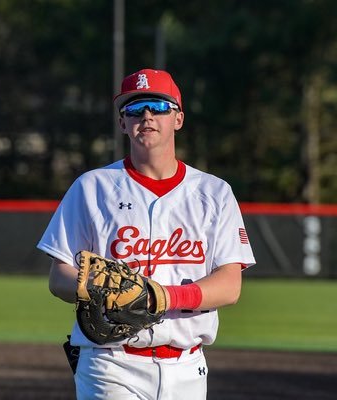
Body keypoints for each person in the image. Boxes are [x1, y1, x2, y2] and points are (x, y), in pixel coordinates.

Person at [37, 68, 256, 399]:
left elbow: (230, 285)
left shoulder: (214, 192)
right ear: (123, 123)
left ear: (178, 119)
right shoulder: (92, 187)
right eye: (135, 109)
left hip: (189, 366)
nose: (147, 116)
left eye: (159, 106)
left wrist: (162, 297)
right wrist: (97, 287)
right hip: (110, 363)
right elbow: (59, 278)